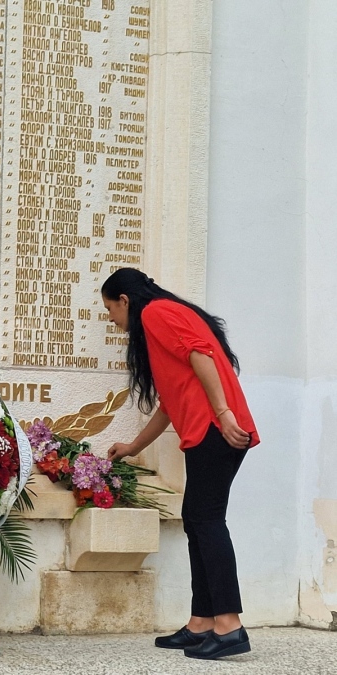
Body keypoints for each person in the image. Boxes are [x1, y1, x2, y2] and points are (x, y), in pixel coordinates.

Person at [102, 267, 258, 661]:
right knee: (197, 520)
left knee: (206, 521)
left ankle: (229, 625)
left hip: (215, 430)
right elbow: (170, 404)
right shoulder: (162, 321)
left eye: (109, 308)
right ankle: (202, 622)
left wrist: (221, 414)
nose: (110, 319)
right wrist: (133, 446)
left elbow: (200, 355)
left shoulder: (155, 312)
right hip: (207, 431)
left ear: (125, 300)